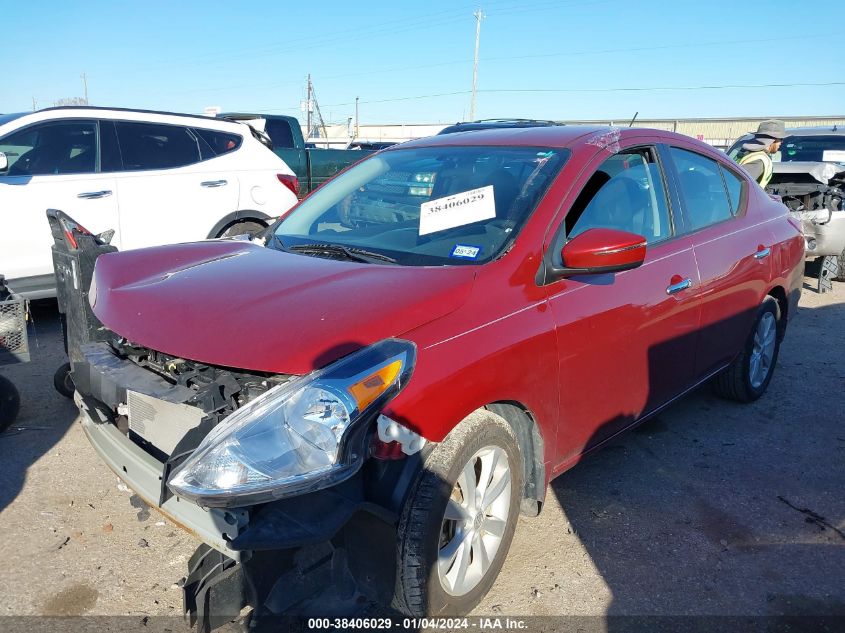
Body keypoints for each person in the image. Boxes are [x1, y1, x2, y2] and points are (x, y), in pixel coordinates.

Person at [735, 119, 786, 188]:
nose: (781, 142)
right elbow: (738, 185)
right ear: (772, 140)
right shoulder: (759, 160)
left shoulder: (750, 154)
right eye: (780, 139)